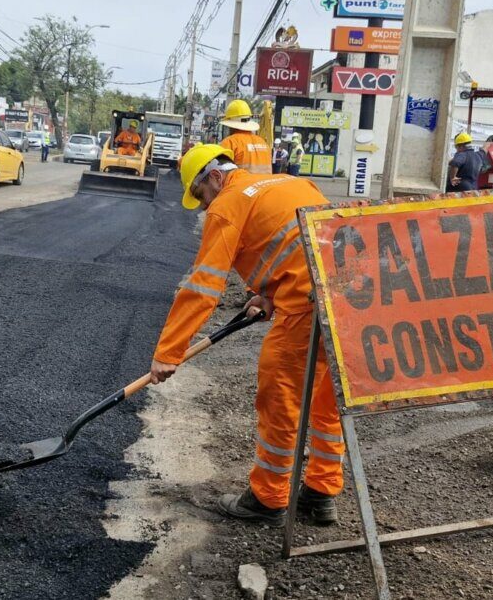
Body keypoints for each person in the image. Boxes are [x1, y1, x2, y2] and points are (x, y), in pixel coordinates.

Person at [147, 144, 345, 527]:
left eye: (202, 196)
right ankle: (321, 494)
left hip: (306, 307)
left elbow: (203, 286)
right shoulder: (286, 182)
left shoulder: (228, 203)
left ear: (216, 178)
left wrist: (168, 352)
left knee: (281, 399)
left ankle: (269, 499)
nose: (205, 208)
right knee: (326, 398)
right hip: (349, 297)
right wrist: (269, 293)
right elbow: (299, 244)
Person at [219, 100, 273, 174]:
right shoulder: (263, 143)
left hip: (241, 185)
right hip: (264, 185)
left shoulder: (230, 142)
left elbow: (220, 173)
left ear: (230, 126)